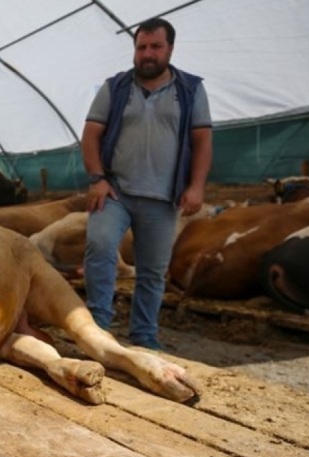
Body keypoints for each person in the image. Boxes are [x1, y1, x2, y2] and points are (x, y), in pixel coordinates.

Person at [81, 17, 212, 350]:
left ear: (170, 49)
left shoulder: (191, 90)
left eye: (155, 47)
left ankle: (143, 337)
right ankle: (97, 327)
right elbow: (91, 135)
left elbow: (202, 141)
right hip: (116, 192)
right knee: (100, 245)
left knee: (153, 272)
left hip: (163, 196)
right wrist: (97, 178)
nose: (147, 54)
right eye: (141, 47)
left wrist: (196, 187)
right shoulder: (116, 87)